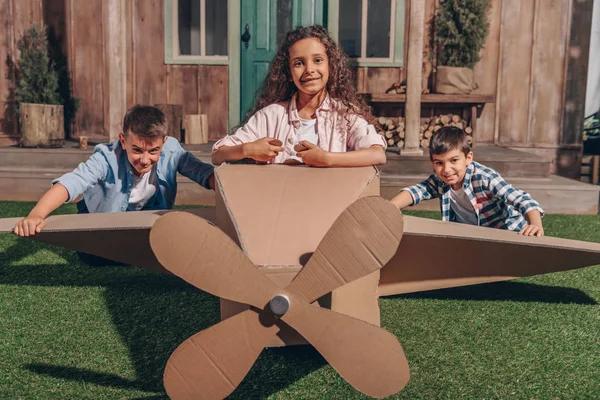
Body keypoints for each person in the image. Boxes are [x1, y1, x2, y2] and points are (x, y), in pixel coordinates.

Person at [14, 105, 215, 239]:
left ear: (164, 142)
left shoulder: (172, 150)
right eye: (136, 150)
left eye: (153, 151)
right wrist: (36, 214)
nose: (145, 160)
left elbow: (204, 174)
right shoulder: (106, 158)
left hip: (144, 214)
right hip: (101, 213)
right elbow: (72, 183)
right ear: (123, 140)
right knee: (96, 257)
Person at [212, 25, 386, 167]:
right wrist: (247, 150)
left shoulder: (344, 115)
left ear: (330, 66)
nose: (309, 70)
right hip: (278, 203)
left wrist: (327, 159)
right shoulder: (271, 116)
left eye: (317, 60)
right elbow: (218, 154)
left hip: (328, 202)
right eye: (299, 63)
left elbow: (377, 155)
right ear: (288, 73)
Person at [390, 126, 545, 236]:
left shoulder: (485, 177)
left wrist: (535, 224)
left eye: (454, 161)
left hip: (506, 232)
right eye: (439, 163)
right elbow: (416, 191)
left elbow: (522, 199)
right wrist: (390, 208)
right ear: (433, 163)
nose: (446, 169)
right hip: (472, 234)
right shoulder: (440, 180)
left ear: (468, 158)